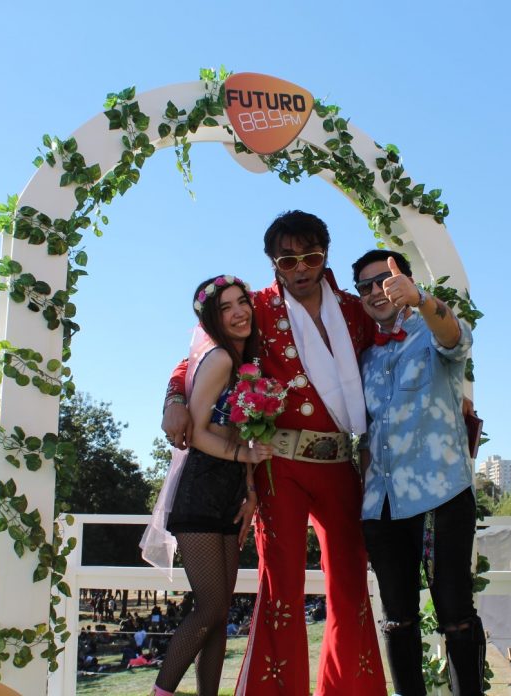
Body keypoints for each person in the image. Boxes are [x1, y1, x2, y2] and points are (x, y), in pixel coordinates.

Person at [161, 211, 385, 696]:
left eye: (311, 257)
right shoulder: (257, 308)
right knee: (280, 589)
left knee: (351, 588)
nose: (300, 268)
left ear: (326, 256)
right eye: (288, 259)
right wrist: (174, 397)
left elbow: (396, 343)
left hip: (341, 465)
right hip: (277, 467)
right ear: (273, 263)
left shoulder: (354, 311)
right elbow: (197, 356)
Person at [351, 249, 485, 695]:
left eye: (385, 281)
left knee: (456, 615)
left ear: (405, 281)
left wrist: (422, 299)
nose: (376, 291)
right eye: (365, 286)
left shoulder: (431, 331)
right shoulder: (364, 359)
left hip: (441, 496)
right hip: (381, 505)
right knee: (397, 620)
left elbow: (456, 338)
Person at [146, 274, 274, 696]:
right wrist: (243, 457)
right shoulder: (218, 358)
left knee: (219, 615)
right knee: (211, 607)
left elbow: (243, 433)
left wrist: (250, 490)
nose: (239, 313)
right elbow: (197, 434)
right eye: (225, 308)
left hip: (231, 493)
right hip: (201, 489)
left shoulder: (247, 363)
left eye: (242, 302)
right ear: (211, 321)